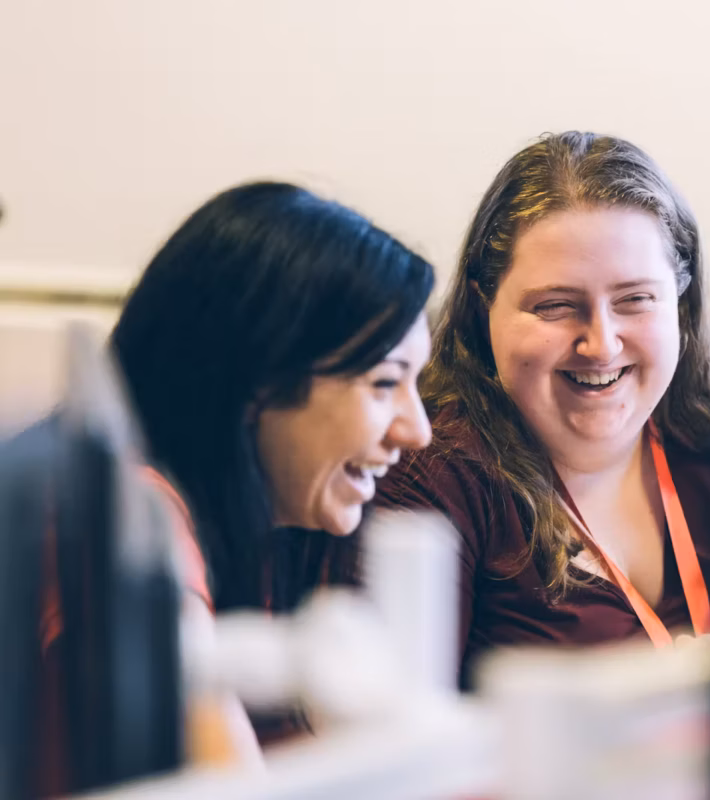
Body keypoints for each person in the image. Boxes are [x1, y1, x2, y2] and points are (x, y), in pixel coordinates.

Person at [375, 131, 710, 688]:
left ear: (680, 303)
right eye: (556, 306)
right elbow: (397, 748)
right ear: (482, 304)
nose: (601, 345)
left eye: (634, 299)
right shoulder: (430, 476)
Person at [37, 181, 436, 795]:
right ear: (260, 382)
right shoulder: (140, 526)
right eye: (385, 383)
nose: (419, 431)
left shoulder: (207, 511)